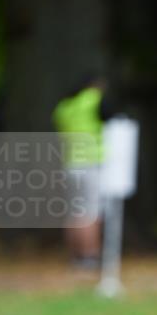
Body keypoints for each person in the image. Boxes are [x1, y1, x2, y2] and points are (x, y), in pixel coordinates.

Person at [52, 75, 111, 269]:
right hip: (91, 162)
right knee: (91, 211)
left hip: (70, 164)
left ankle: (75, 255)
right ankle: (90, 256)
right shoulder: (94, 98)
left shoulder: (64, 108)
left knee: (74, 211)